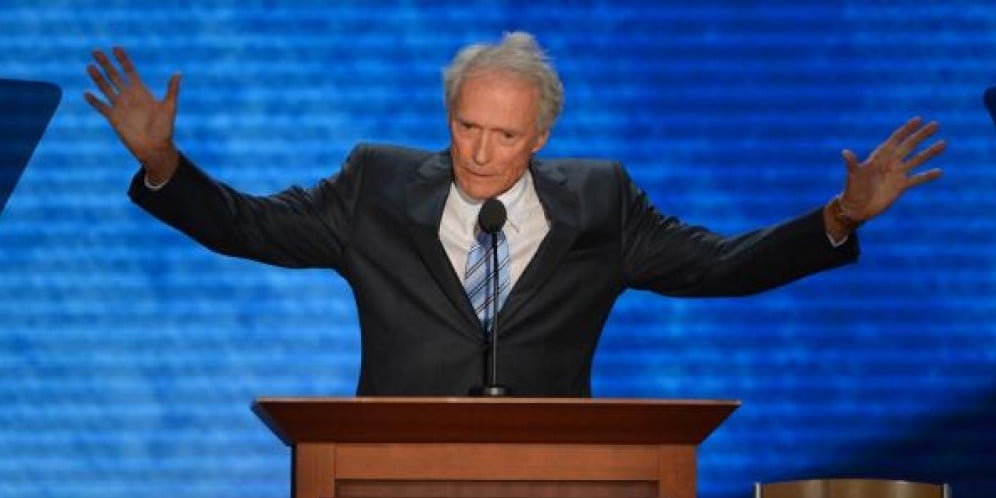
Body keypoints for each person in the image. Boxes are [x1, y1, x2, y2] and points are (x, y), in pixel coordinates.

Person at [85, 32, 945, 397]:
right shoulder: (375, 187)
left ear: (540, 136)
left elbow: (720, 265)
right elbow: (251, 226)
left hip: (553, 478)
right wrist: (165, 164)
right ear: (447, 118)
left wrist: (838, 214)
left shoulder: (602, 201)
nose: (481, 152)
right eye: (467, 127)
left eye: (503, 134)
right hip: (395, 478)